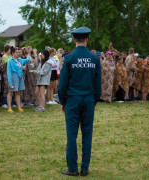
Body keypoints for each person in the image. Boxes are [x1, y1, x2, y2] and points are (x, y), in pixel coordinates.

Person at [58, 27, 101, 177]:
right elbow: (98, 84)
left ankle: (72, 168)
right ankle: (84, 168)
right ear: (87, 39)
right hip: (88, 99)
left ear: (74, 39)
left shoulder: (68, 58)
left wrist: (63, 101)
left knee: (72, 135)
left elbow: (62, 84)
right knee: (87, 134)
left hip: (72, 100)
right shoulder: (95, 58)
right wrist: (94, 101)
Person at [6, 47, 32, 113]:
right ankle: (9, 108)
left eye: (19, 52)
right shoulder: (10, 61)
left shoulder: (20, 60)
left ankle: (19, 107)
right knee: (11, 92)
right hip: (13, 77)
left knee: (18, 92)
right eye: (17, 52)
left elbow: (28, 60)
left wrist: (29, 53)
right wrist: (10, 82)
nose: (19, 53)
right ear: (13, 52)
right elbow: (9, 72)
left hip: (20, 77)